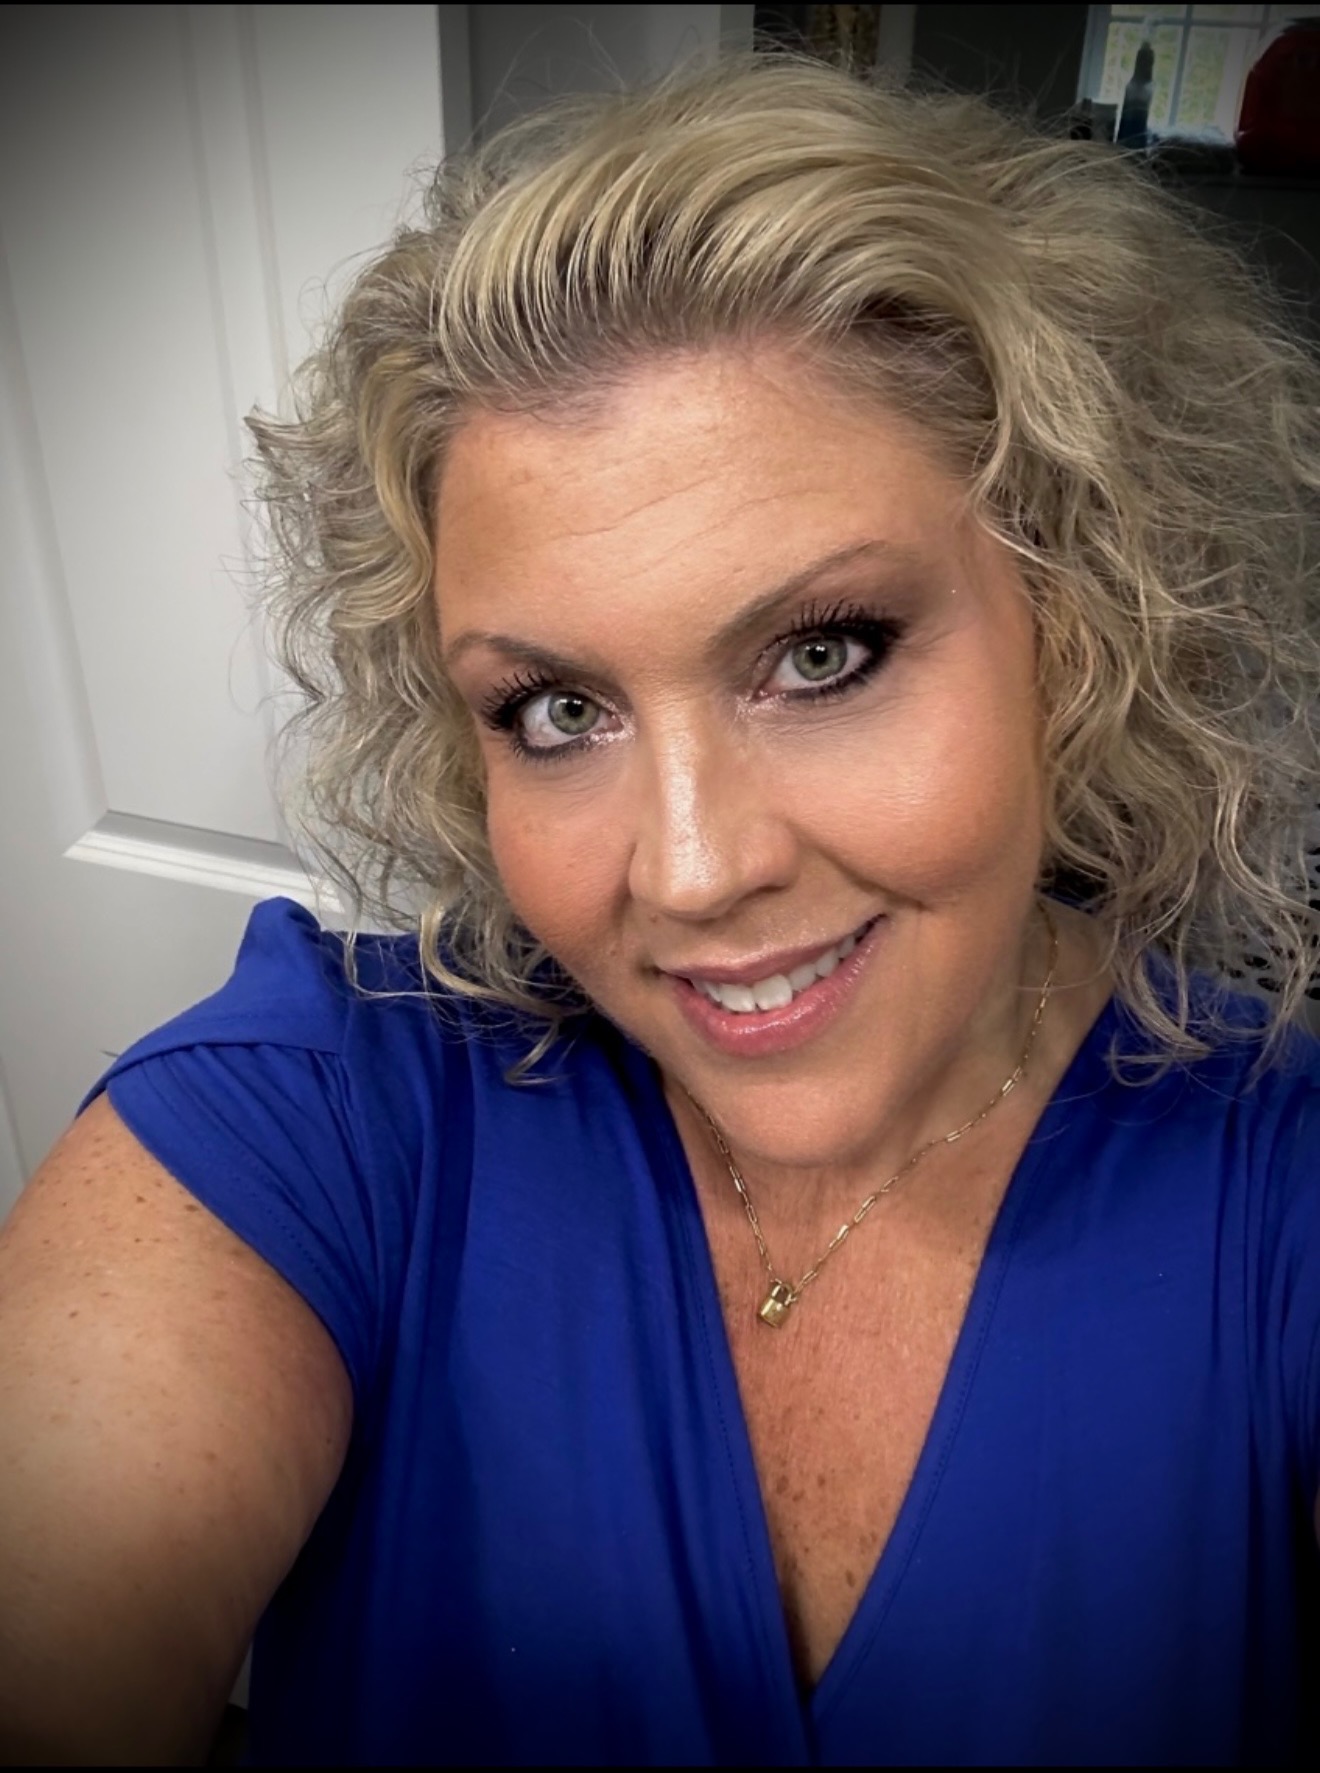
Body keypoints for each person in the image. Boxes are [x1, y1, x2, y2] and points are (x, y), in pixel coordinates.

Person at [2, 52, 1318, 1767]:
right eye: (558, 710)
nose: (690, 870)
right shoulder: (328, 1115)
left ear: (1078, 626)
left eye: (823, 654)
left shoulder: (1276, 1188)